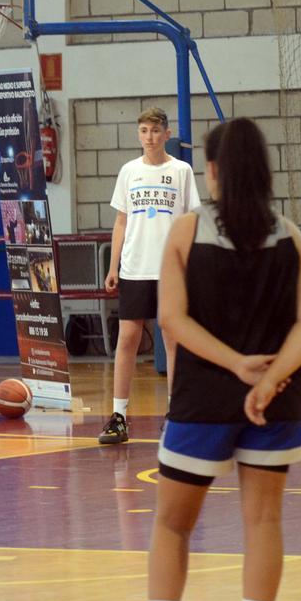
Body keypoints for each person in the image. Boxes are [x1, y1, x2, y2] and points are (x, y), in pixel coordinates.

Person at [149, 118, 301, 601]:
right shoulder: (291, 237)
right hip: (275, 400)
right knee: (263, 522)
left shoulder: (186, 232)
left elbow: (171, 319)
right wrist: (268, 379)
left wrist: (237, 365)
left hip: (204, 398)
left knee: (172, 526)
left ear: (212, 171)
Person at [99, 107, 201, 444]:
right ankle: (118, 416)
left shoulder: (181, 171)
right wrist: (113, 267)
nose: (149, 137)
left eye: (155, 131)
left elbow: (191, 221)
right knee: (128, 339)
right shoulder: (128, 171)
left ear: (167, 134)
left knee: (172, 339)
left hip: (171, 268)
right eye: (144, 130)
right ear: (138, 134)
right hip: (134, 267)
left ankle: (175, 415)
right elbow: (121, 222)